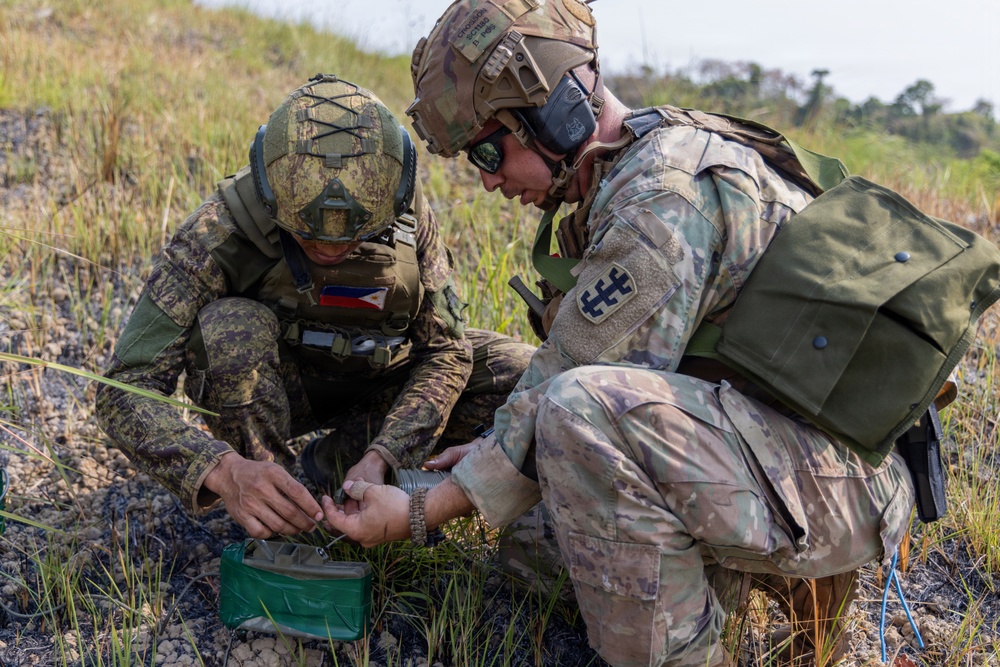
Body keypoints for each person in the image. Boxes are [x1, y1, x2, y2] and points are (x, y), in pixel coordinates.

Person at [322, 3, 919, 667]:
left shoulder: (662, 199)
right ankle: (755, 585)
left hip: (839, 479)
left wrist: (422, 509)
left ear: (554, 114)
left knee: (575, 416)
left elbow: (575, 391)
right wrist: (487, 457)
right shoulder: (630, 164)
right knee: (536, 547)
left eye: (490, 151)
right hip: (774, 446)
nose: (488, 179)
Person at [95, 74, 534, 541]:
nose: (329, 249)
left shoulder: (405, 211)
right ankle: (274, 500)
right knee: (228, 330)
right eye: (307, 235)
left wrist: (386, 454)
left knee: (523, 377)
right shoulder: (218, 230)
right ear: (270, 197)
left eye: (353, 237)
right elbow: (125, 386)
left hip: (379, 381)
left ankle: (339, 465)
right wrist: (224, 471)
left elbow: (446, 351)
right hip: (277, 387)